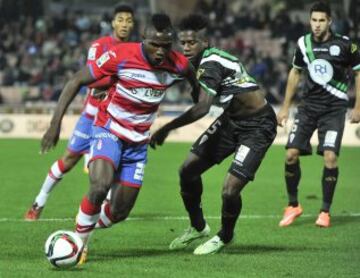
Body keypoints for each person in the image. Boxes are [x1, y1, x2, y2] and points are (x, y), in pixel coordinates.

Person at [40, 13, 199, 263]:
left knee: (120, 212)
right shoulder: (121, 55)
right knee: (100, 186)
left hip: (138, 144)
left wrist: (202, 100)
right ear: (143, 40)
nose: (159, 51)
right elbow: (76, 80)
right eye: (154, 45)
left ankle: (84, 224)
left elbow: (198, 91)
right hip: (109, 129)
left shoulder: (178, 64)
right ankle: (80, 244)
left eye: (165, 46)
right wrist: (54, 124)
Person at [150, 14, 277, 255]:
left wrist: (166, 128)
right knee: (187, 170)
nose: (186, 47)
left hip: (258, 125)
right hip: (231, 121)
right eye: (183, 43)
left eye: (192, 43)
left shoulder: (211, 62)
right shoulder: (199, 62)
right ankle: (198, 227)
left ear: (205, 42)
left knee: (230, 190)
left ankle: (225, 236)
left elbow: (202, 108)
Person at [25, 4, 135, 220]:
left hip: (115, 118)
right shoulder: (100, 45)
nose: (124, 24)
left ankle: (98, 216)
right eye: (120, 19)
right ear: (113, 22)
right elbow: (92, 79)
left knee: (114, 167)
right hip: (91, 115)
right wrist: (118, 81)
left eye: (129, 20)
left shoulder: (135, 49)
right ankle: (38, 202)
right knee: (68, 160)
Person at [277, 1, 360, 228]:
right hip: (308, 107)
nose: (316, 24)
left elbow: (358, 73)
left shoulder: (345, 45)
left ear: (330, 21)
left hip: (334, 109)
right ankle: (293, 205)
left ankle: (325, 211)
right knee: (291, 154)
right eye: (313, 20)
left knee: (330, 157)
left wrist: (358, 106)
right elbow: (295, 73)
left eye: (321, 20)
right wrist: (285, 107)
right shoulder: (303, 44)